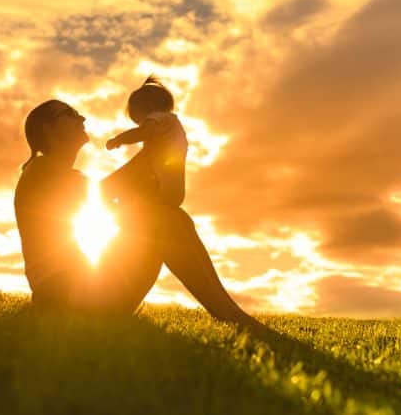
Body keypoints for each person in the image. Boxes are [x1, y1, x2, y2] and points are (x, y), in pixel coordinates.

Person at [14, 99, 264, 331]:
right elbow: (104, 194)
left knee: (172, 218)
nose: (82, 119)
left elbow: (114, 201)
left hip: (80, 288)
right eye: (70, 113)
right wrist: (154, 151)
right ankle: (230, 315)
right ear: (48, 128)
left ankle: (229, 312)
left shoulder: (57, 173)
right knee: (162, 220)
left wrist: (152, 164)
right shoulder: (40, 170)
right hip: (62, 296)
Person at [105, 76, 188, 207]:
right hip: (174, 192)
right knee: (124, 193)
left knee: (110, 187)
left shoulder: (159, 117)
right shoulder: (172, 125)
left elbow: (143, 133)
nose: (139, 124)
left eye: (138, 120)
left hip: (156, 182)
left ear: (149, 106)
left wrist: (118, 139)